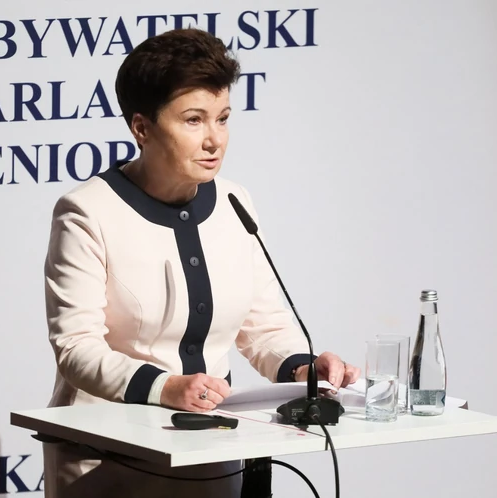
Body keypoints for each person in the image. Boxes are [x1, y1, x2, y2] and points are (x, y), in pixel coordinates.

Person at [41, 28, 361, 498]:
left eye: (223, 119)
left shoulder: (234, 201)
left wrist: (304, 370)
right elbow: (77, 348)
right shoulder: (87, 211)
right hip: (107, 456)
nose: (215, 140)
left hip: (209, 449)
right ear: (142, 128)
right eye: (194, 120)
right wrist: (166, 387)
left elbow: (263, 326)